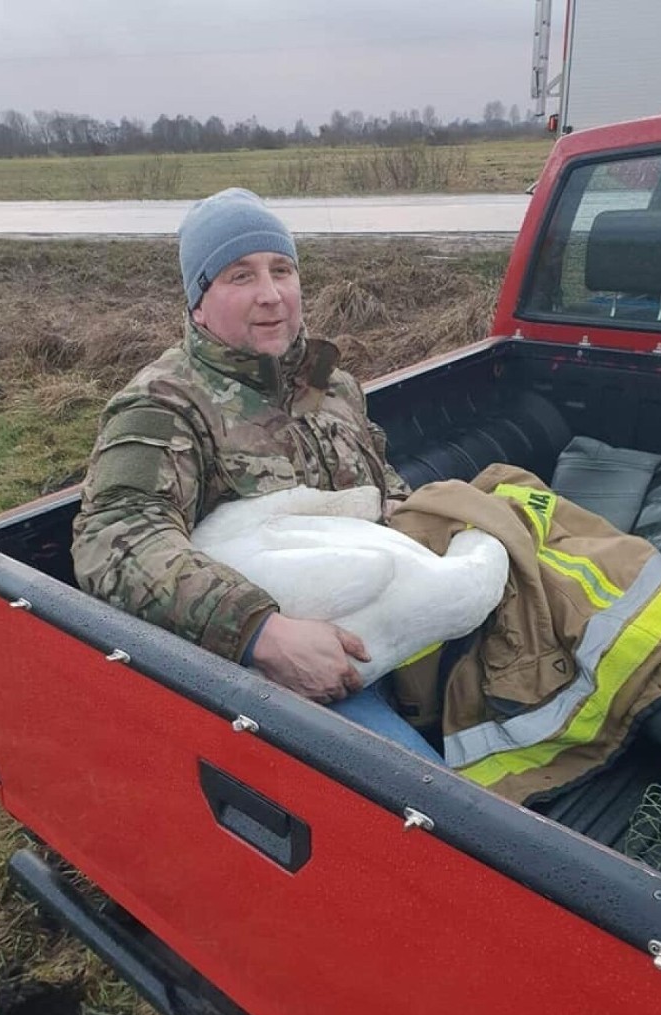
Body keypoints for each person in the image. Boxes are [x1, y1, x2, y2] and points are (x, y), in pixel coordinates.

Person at [72, 187, 441, 760]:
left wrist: (436, 531)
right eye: (239, 276)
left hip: (393, 615)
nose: (272, 296)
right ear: (198, 300)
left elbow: (381, 483)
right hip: (291, 677)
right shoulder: (165, 405)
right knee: (434, 802)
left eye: (282, 270)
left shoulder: (332, 384)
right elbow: (116, 540)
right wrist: (260, 634)